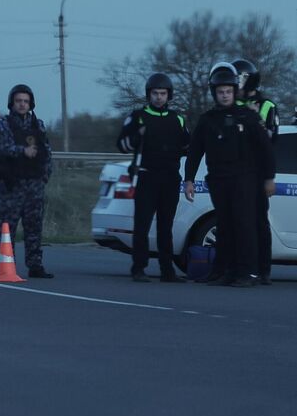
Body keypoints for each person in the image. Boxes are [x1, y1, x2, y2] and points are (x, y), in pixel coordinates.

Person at [184, 63, 274, 287]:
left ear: (234, 92)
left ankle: (248, 272)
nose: (224, 96)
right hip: (218, 178)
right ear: (214, 93)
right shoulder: (208, 120)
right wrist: (189, 179)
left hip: (244, 179)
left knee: (244, 224)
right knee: (225, 226)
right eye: (220, 92)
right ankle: (226, 270)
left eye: (228, 91)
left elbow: (266, 149)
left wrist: (269, 178)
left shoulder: (247, 117)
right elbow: (195, 151)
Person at [115, 73, 189, 282]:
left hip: (170, 179)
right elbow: (122, 145)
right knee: (142, 225)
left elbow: (187, 146)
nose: (158, 97)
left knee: (166, 226)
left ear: (169, 95)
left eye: (162, 94)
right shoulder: (138, 116)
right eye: (155, 93)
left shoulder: (178, 119)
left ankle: (167, 270)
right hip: (146, 177)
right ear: (149, 95)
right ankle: (138, 268)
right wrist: (138, 135)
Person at [0, 83, 54, 278]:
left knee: (34, 226)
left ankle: (35, 265)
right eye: (18, 101)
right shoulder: (3, 125)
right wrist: (22, 151)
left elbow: (46, 151)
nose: (22, 105)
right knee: (8, 226)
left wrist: (45, 174)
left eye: (26, 101)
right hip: (12, 183)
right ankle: (6, 264)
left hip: (35, 183)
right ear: (12, 103)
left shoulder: (38, 125)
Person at [233, 58, 280, 284]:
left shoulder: (267, 106)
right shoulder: (232, 106)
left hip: (259, 172)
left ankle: (263, 270)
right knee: (238, 221)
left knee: (260, 221)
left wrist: (255, 119)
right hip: (236, 172)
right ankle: (238, 266)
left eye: (238, 80)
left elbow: (271, 139)